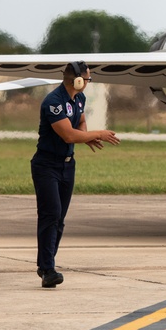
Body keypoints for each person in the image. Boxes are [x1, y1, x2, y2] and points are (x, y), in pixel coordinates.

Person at [31, 61, 120, 288]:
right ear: (78, 80)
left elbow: (79, 122)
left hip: (68, 165)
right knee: (50, 215)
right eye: (87, 79)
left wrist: (87, 135)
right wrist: (97, 133)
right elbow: (68, 135)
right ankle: (48, 269)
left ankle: (45, 265)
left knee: (59, 220)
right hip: (47, 165)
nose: (88, 83)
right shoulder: (54, 103)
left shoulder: (79, 99)